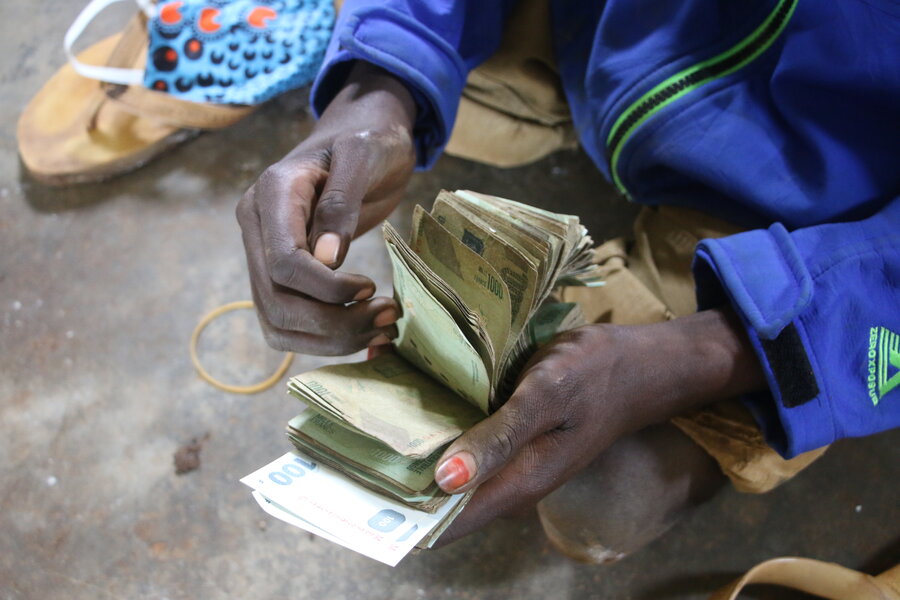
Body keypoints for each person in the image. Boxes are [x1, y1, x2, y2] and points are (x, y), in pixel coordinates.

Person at [236, 0, 900, 562]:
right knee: (400, 49)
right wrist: (379, 86)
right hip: (615, 35)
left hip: (828, 219)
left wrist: (703, 354)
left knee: (602, 494)